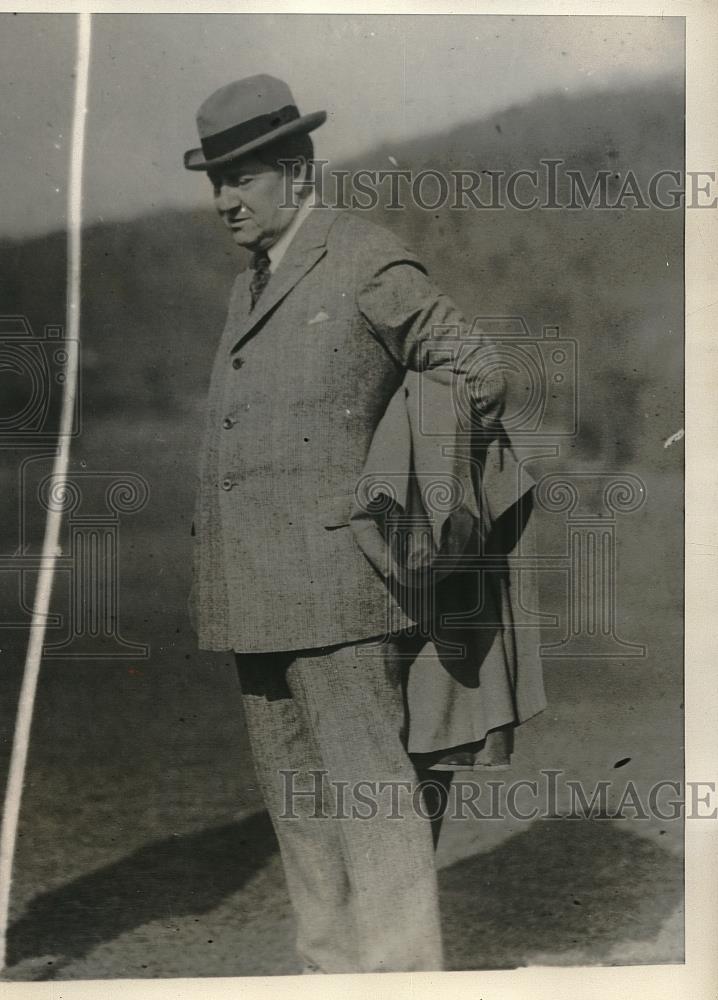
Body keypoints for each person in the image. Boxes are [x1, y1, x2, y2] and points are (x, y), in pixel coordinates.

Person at [183, 74, 543, 974]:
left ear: (298, 172)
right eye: (214, 181)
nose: (224, 201)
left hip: (348, 595)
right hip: (257, 597)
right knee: (299, 809)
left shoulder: (363, 260)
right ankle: (329, 978)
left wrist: (400, 496)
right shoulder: (250, 285)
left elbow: (474, 370)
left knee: (374, 803)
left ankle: (400, 980)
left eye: (243, 179)